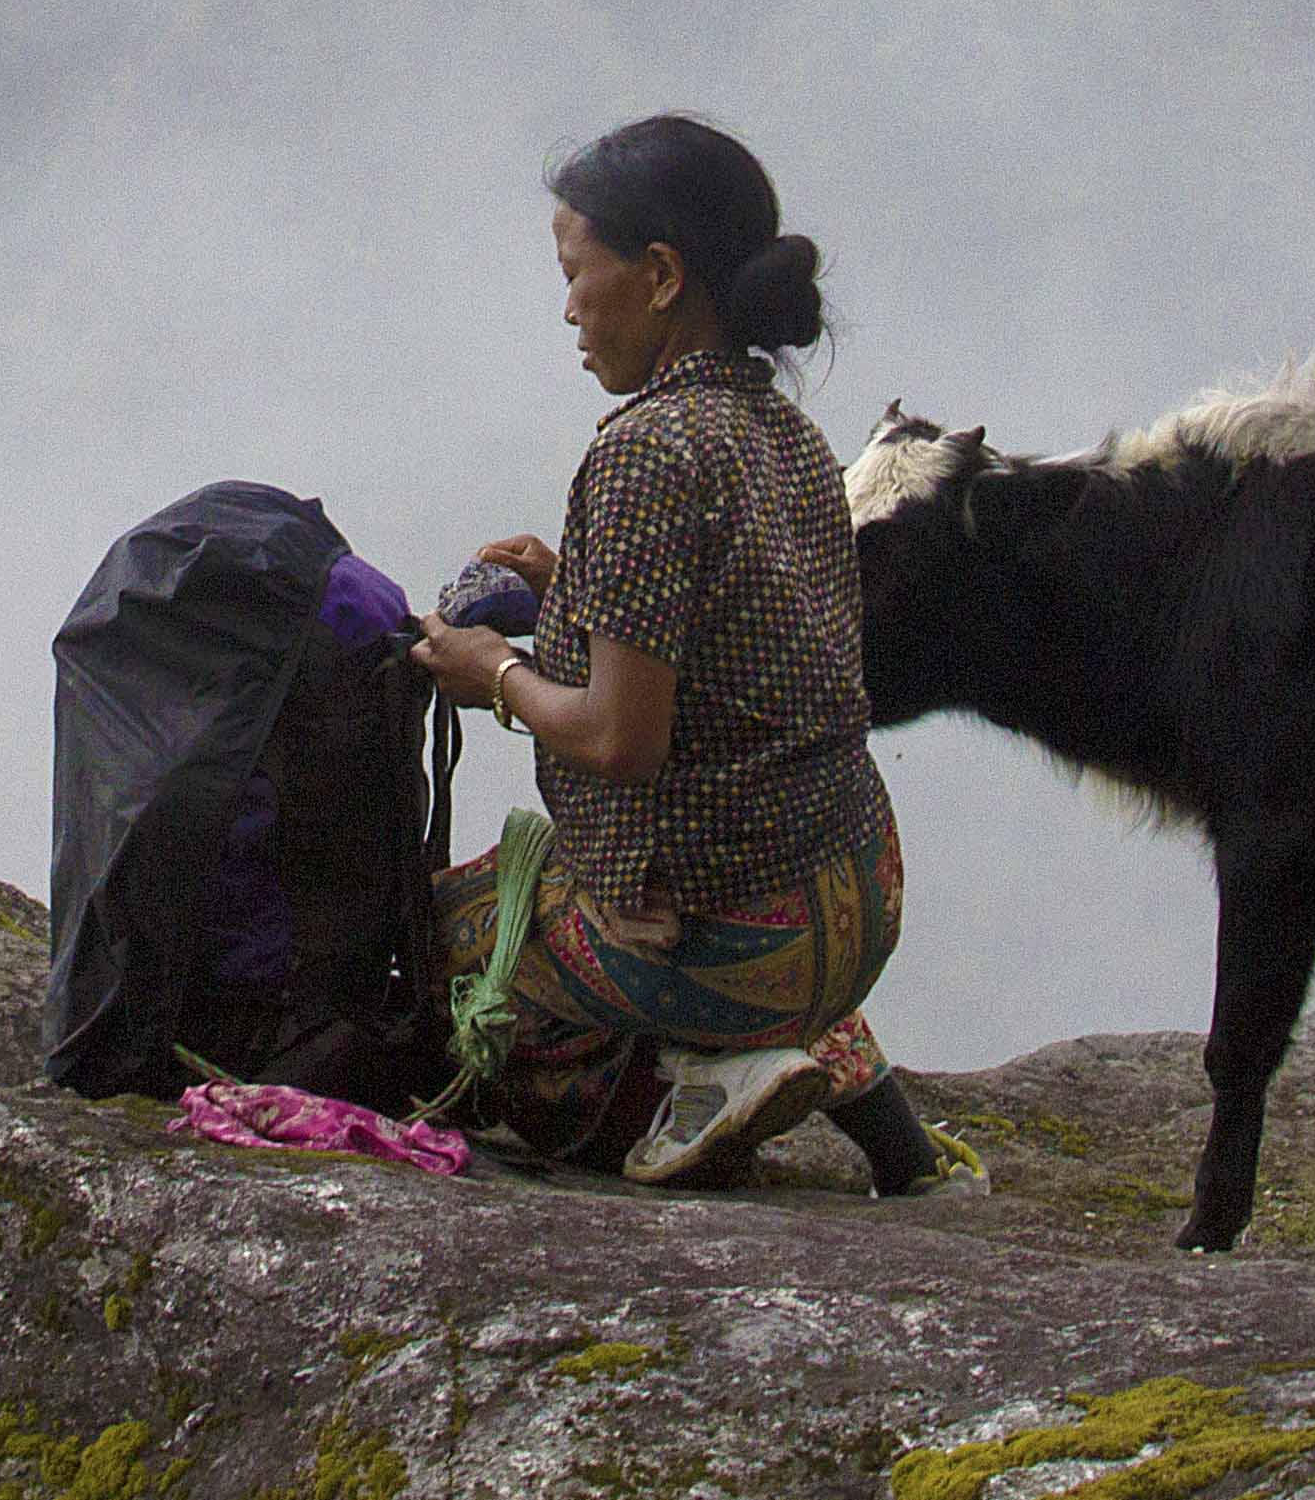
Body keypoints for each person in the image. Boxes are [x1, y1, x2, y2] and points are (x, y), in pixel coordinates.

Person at [408, 114, 966, 1194]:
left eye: (578, 273)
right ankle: (888, 1134)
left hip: (739, 940)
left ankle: (709, 1063)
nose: (568, 305)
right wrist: (571, 588)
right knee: (710, 855)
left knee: (443, 933)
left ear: (659, 274)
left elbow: (621, 740)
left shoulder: (646, 451)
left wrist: (493, 671)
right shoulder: (779, 430)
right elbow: (745, 643)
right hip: (858, 897)